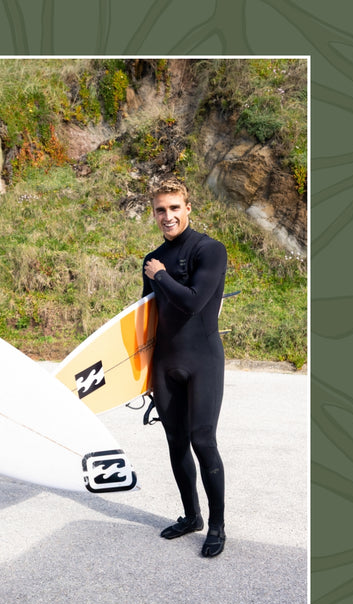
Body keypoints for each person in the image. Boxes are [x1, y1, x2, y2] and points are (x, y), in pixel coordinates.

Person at [141, 176, 227, 557]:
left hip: (202, 361)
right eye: (161, 209)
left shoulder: (210, 250)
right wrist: (141, 374)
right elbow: (146, 319)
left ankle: (217, 526)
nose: (168, 216)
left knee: (202, 442)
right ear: (154, 213)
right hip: (165, 363)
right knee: (175, 442)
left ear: (188, 208)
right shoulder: (152, 258)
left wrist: (160, 275)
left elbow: (192, 302)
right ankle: (192, 517)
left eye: (174, 207)